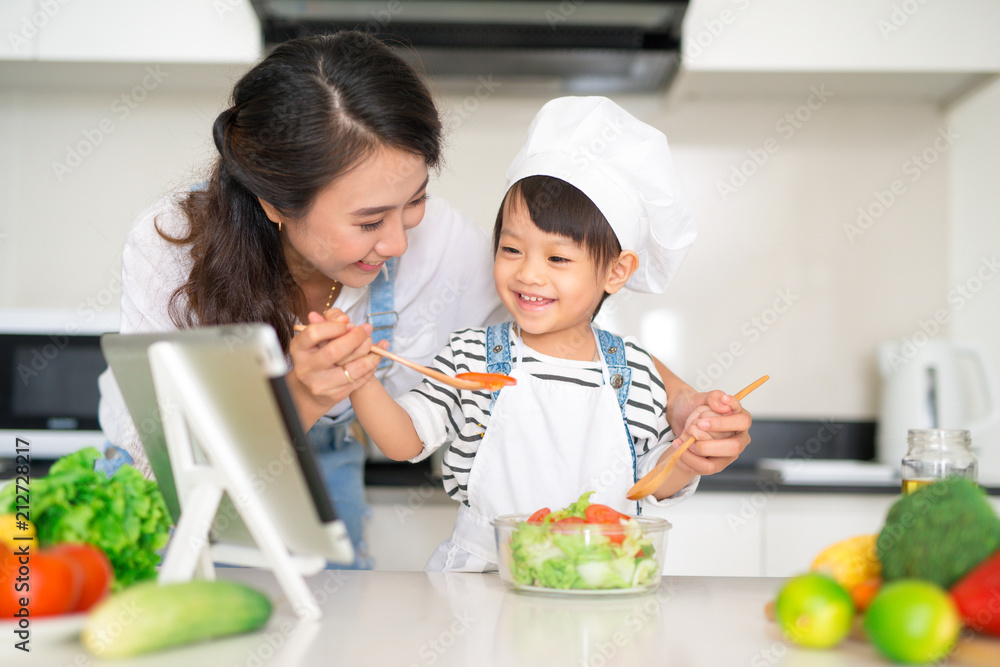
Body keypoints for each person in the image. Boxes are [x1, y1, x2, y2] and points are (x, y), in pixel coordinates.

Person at [97, 31, 503, 568]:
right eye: (368, 222)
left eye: (417, 199)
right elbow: (160, 468)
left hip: (321, 483)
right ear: (275, 202)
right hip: (171, 481)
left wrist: (652, 388)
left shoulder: (443, 247)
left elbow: (555, 336)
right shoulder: (172, 242)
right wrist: (300, 397)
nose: (398, 241)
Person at [332, 96, 753, 571]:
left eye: (557, 258)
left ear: (616, 272)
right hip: (482, 588)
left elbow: (651, 483)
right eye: (511, 249)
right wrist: (359, 376)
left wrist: (688, 455)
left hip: (598, 584)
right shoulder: (471, 356)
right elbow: (403, 441)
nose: (528, 274)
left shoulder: (635, 374)